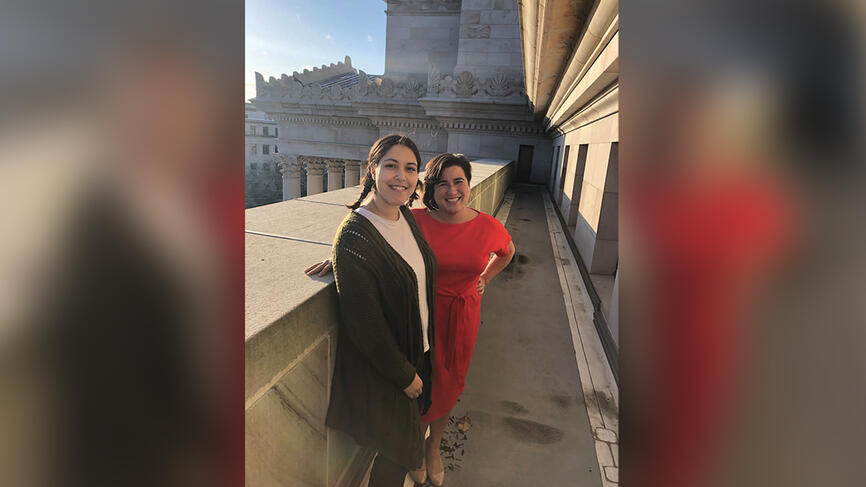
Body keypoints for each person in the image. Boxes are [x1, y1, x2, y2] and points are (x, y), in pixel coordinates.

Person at [307, 153, 515, 486]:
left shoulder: (487, 226)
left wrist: (486, 279)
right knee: (421, 388)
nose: (451, 190)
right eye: (442, 183)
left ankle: (433, 448)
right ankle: (416, 448)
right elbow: (379, 238)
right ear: (429, 190)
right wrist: (340, 258)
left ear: (469, 184)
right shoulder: (415, 220)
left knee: (449, 386)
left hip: (462, 317)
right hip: (421, 316)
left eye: (458, 181)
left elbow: (508, 252)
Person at [323, 134, 437, 487]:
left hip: (419, 353)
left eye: (410, 168)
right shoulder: (355, 236)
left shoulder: (406, 216)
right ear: (372, 169)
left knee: (398, 454)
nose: (401, 177)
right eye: (391, 166)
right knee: (393, 459)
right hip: (391, 369)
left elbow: (402, 269)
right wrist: (404, 375)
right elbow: (365, 324)